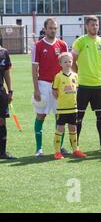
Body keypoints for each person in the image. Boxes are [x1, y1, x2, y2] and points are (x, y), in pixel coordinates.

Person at [72, 15, 101, 151]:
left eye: (97, 24)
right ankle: (75, 145)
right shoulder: (80, 41)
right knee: (78, 117)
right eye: (92, 25)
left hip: (99, 85)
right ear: (86, 26)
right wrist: (77, 76)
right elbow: (73, 61)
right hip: (82, 85)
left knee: (100, 116)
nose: (95, 27)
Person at [32, 18, 69, 157]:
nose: (53, 30)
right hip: (43, 85)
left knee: (60, 117)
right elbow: (34, 69)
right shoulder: (38, 45)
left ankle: (60, 147)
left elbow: (67, 66)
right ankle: (39, 148)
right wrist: (36, 89)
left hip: (60, 85)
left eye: (55, 28)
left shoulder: (63, 45)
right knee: (40, 116)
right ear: (45, 29)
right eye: (51, 28)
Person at [52, 53, 87, 160]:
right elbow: (54, 91)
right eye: (65, 62)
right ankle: (57, 152)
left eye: (70, 61)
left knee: (73, 128)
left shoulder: (75, 76)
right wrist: (61, 99)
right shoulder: (58, 76)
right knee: (60, 129)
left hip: (73, 108)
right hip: (62, 108)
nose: (68, 63)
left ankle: (75, 150)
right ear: (60, 64)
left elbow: (76, 90)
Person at [0, 46, 14, 159]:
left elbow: (7, 73)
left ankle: (2, 152)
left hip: (0, 92)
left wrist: (10, 91)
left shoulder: (4, 52)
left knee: (1, 121)